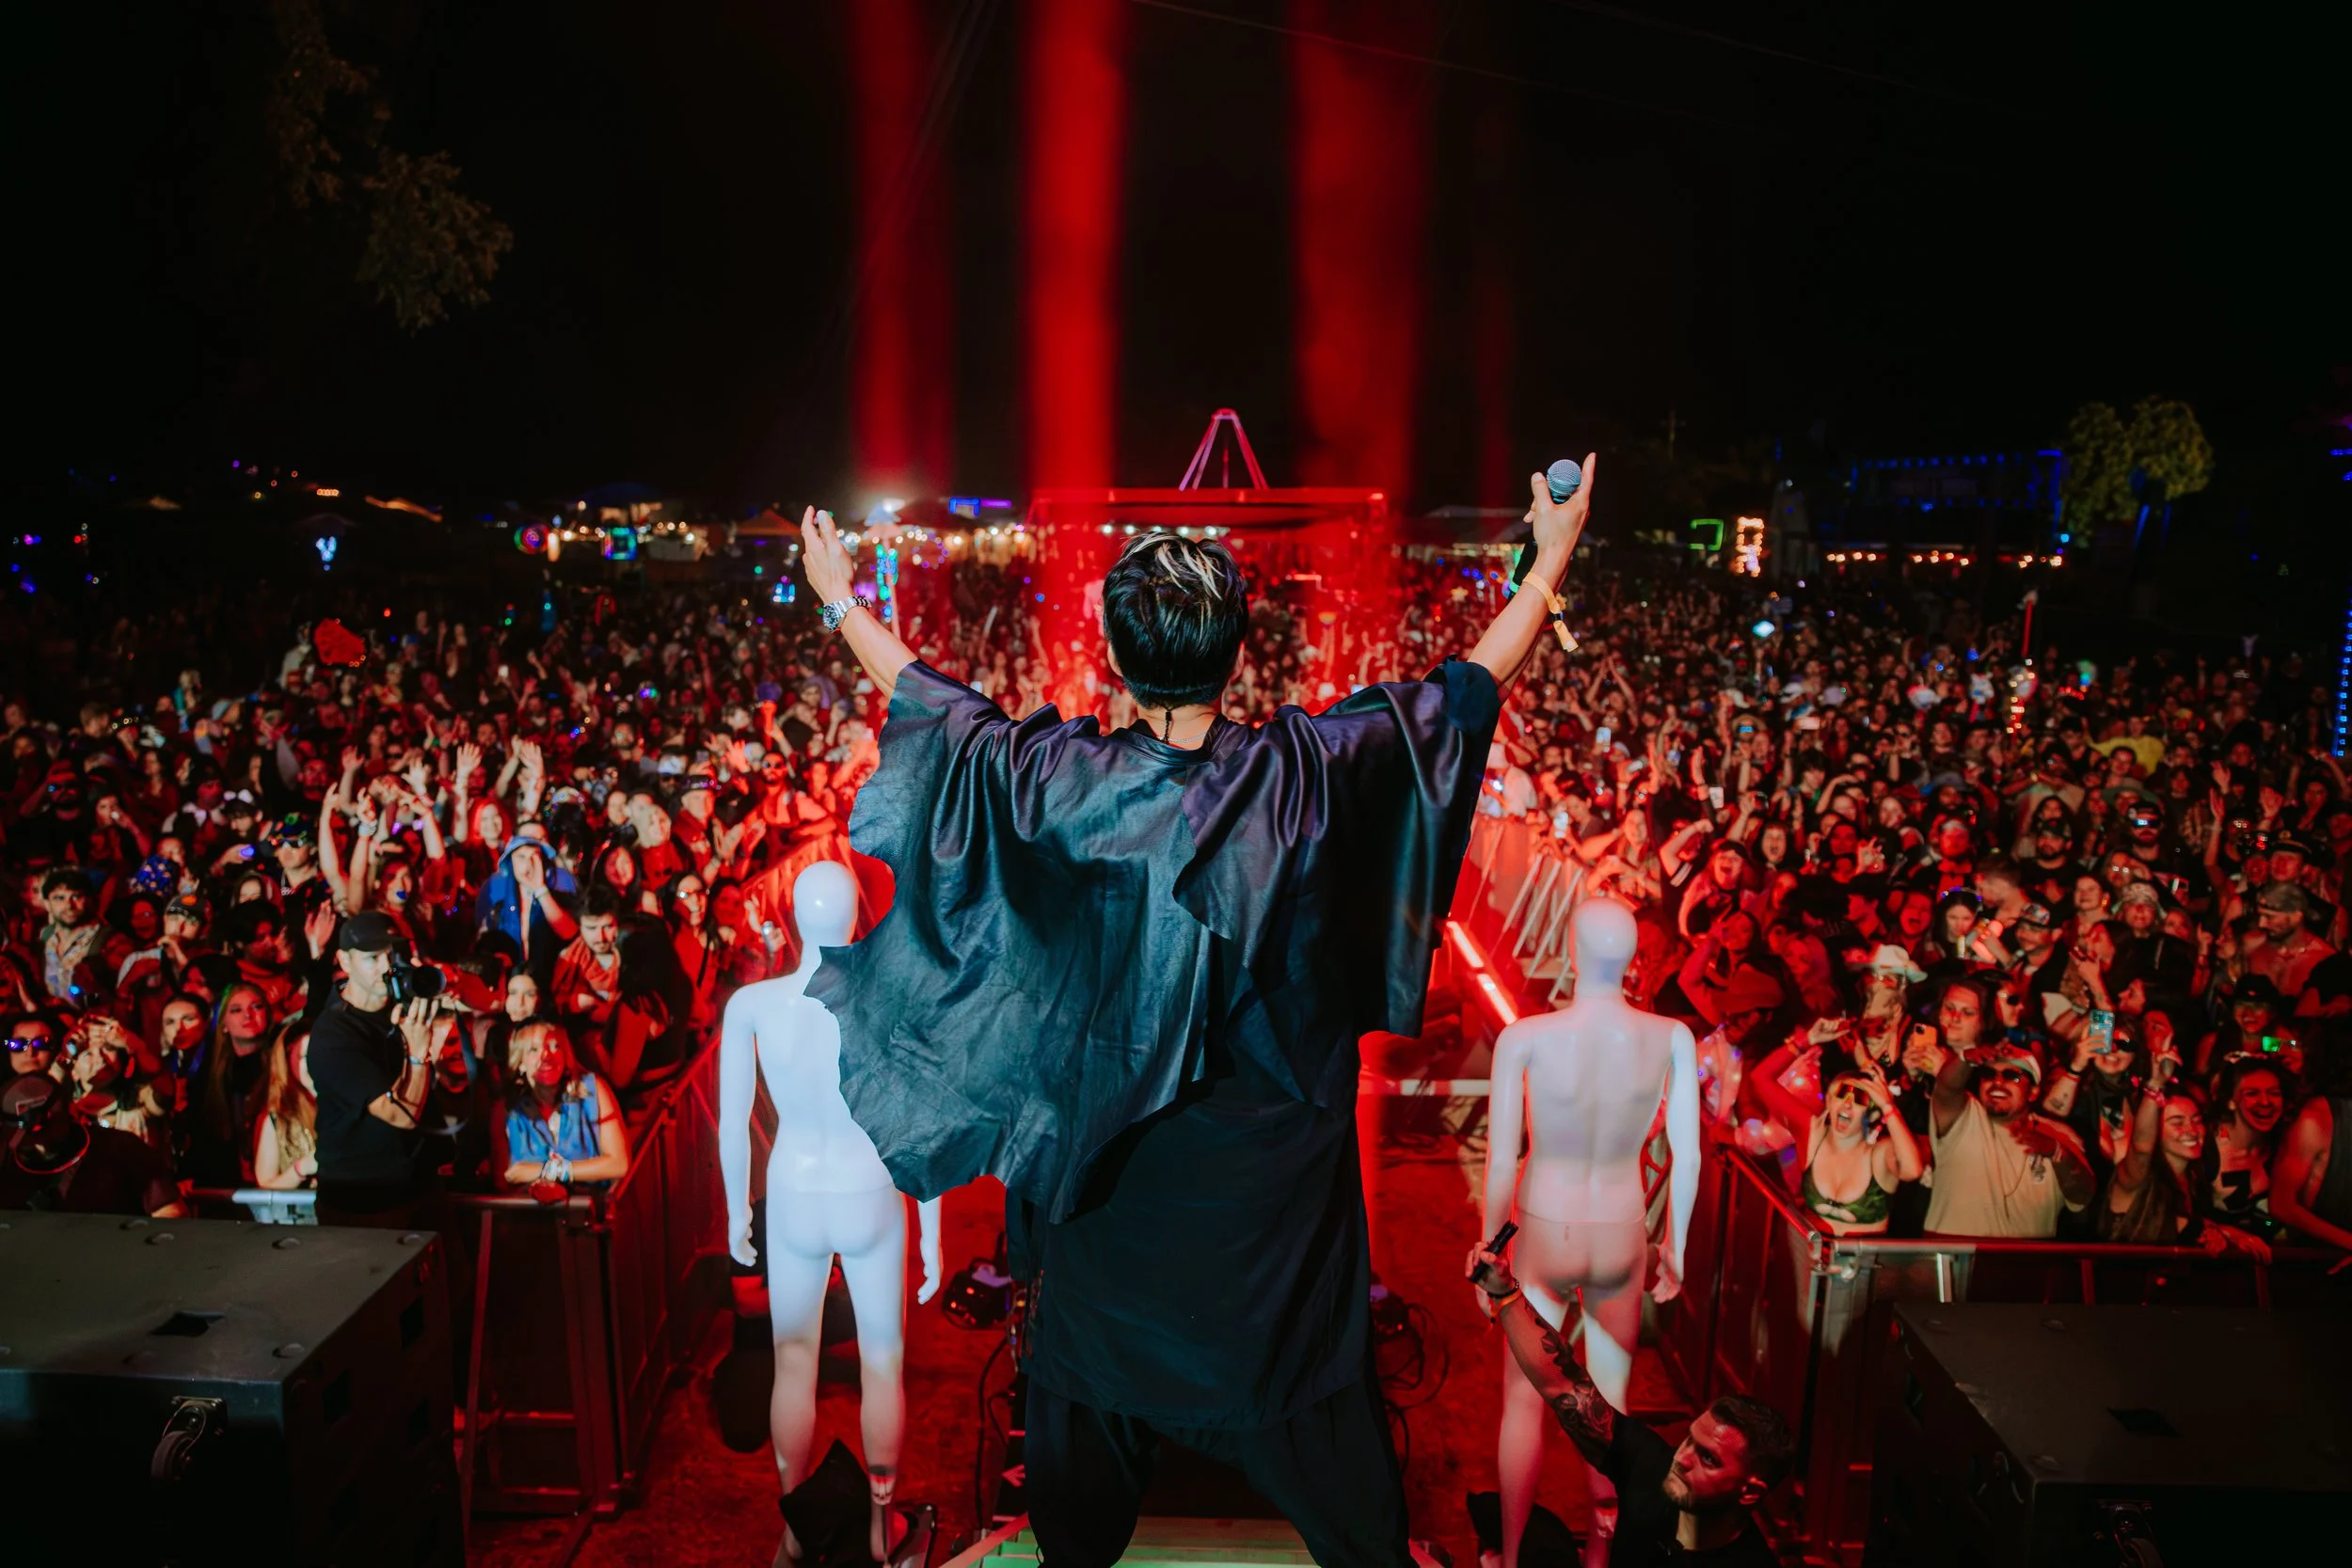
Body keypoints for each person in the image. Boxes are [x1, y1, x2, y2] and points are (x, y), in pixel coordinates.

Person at [801, 457, 1592, 1568]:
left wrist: (840, 598)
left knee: (1075, 1540)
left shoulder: (1050, 780)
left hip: (1109, 1243)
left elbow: (947, 713)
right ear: (1236, 653)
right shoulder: (1304, 774)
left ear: (1116, 660)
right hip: (1272, 1255)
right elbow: (1455, 695)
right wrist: (1547, 562)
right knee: (1360, 1534)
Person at [1465, 1240, 1790, 1566]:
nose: (1683, 1458)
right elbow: (1564, 1385)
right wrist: (1504, 1292)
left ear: (1750, 1491)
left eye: (1708, 1458)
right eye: (1690, 1440)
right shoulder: (1653, 1469)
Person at [307, 911, 442, 1224]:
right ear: (344, 962)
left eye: (391, 955)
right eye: (372, 958)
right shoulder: (334, 1035)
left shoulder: (402, 1004)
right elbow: (400, 1115)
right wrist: (418, 1053)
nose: (386, 967)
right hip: (363, 1204)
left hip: (421, 1189)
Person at [1924, 1040, 2095, 1238]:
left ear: (2033, 1092)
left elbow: (2082, 1197)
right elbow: (1946, 1088)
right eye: (1988, 1075)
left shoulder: (2059, 1135)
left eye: (2011, 1076)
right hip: (1955, 1261)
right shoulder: (1963, 1116)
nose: (1997, 1082)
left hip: (2024, 1263)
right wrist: (1965, 1060)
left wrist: (2057, 1153)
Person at [0, 1071, 186, 1216]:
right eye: (28, 1145)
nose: (41, 1148)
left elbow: (170, 1212)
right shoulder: (6, 1162)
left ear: (68, 1113)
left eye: (49, 1139)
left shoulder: (121, 1147)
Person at [495, 1021, 629, 1192]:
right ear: (520, 1062)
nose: (546, 1056)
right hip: (532, 1213)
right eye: (534, 1049)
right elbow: (506, 1178)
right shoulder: (507, 1109)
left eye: (555, 1046)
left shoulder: (591, 1090)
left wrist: (550, 1171)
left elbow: (619, 1164)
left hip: (589, 1211)